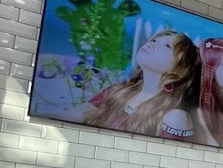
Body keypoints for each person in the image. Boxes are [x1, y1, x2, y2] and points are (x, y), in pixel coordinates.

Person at [53, 29, 201, 140]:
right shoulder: (118, 91)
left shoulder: (175, 117)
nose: (152, 43)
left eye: (167, 46)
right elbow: (69, 116)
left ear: (182, 69)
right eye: (155, 40)